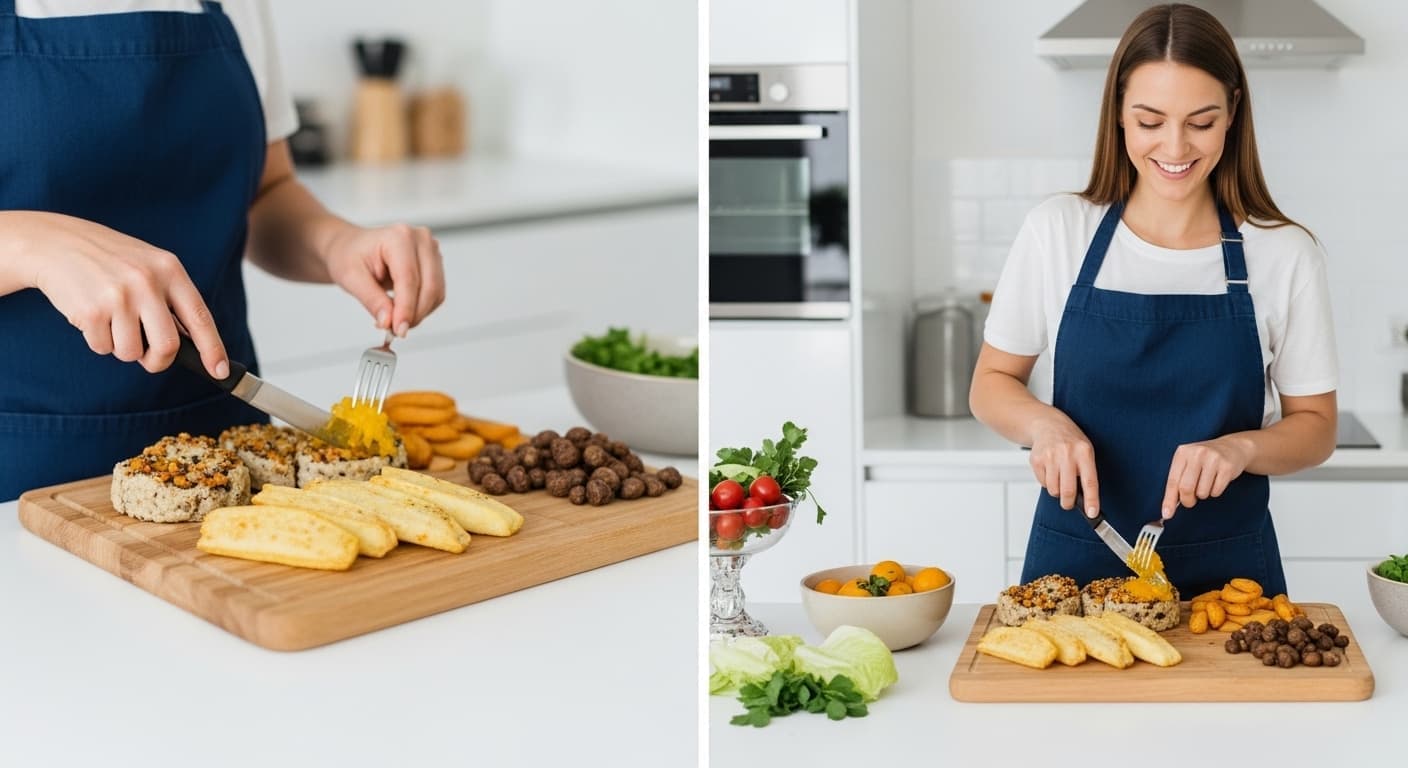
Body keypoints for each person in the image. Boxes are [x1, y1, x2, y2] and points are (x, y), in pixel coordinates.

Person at [0, 0, 446, 501]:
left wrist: (338, 242)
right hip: (20, 465)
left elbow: (265, 189)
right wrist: (28, 244)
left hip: (227, 443)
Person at [970, 3, 1337, 597]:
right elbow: (990, 383)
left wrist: (1242, 446)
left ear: (1233, 115)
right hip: (1072, 570)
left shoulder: (1285, 252)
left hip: (1230, 580)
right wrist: (1045, 426)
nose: (1175, 146)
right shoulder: (1058, 230)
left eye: (1201, 121)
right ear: (1117, 113)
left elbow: (1316, 428)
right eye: (1149, 120)